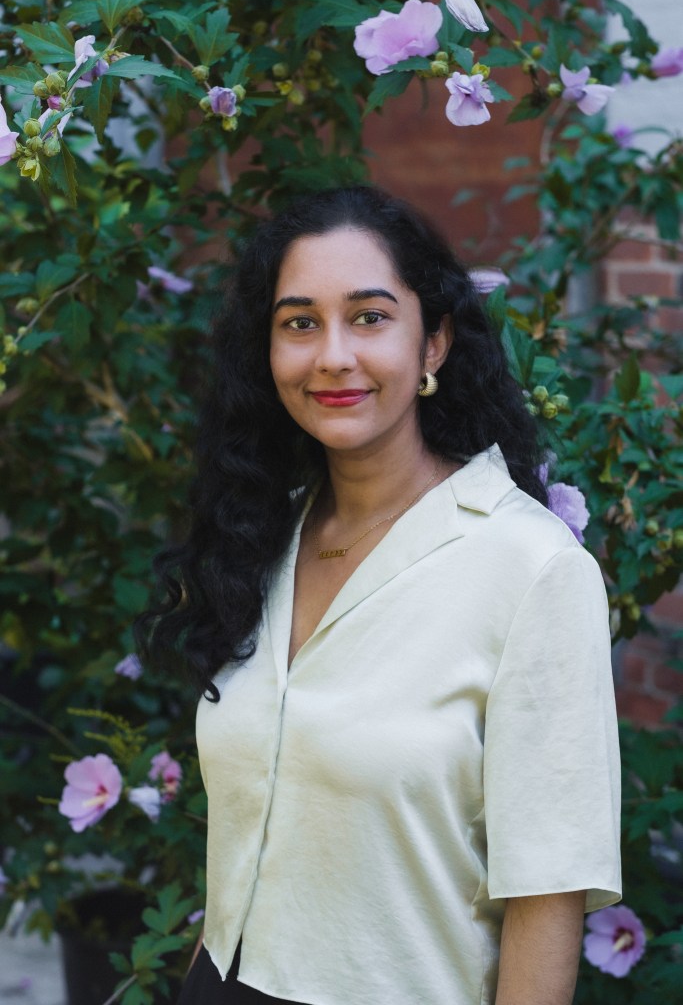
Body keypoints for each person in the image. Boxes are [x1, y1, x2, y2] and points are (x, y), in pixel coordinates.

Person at [137, 186, 621, 1005]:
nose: (331, 355)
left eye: (368, 317)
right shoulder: (270, 539)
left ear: (432, 341)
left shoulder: (530, 569)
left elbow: (547, 895)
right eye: (298, 323)